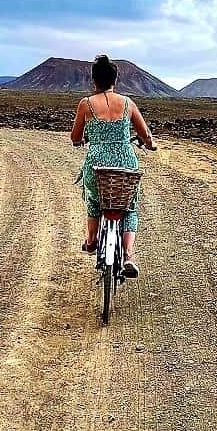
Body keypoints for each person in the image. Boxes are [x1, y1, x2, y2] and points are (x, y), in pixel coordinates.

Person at [71, 54, 155, 279]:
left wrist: (81, 140)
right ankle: (128, 255)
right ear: (114, 80)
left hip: (97, 166)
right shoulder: (128, 103)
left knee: (94, 200)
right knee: (129, 206)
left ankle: (91, 241)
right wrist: (150, 144)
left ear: (93, 80)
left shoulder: (86, 104)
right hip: (125, 165)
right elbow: (145, 133)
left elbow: (75, 136)